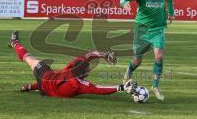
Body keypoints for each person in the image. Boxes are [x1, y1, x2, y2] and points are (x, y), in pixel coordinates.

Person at [8, 31, 136, 98]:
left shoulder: (70, 70)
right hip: (46, 90)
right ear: (84, 73)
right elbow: (99, 89)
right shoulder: (78, 85)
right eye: (88, 70)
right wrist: (121, 87)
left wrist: (104, 55)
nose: (89, 71)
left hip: (46, 79)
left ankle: (15, 43)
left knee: (29, 58)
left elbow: (89, 55)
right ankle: (14, 42)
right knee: (33, 63)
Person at [120, 0, 174, 101]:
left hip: (158, 28)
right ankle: (129, 71)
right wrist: (124, 4)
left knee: (159, 56)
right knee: (137, 61)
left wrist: (171, 13)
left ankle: (155, 86)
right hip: (142, 29)